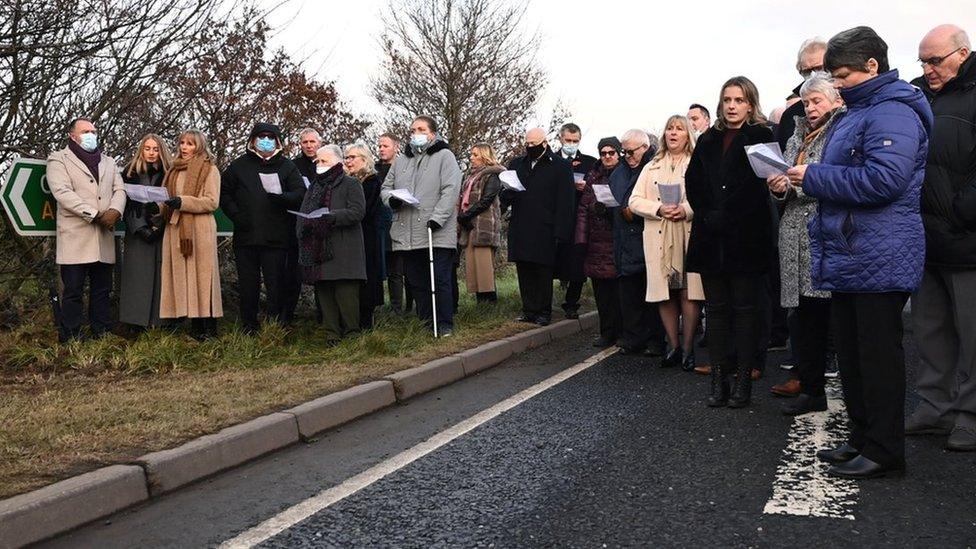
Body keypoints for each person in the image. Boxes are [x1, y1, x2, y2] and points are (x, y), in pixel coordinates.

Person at [790, 26, 932, 479]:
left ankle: (885, 450)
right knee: (852, 356)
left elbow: (885, 181)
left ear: (873, 66)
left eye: (844, 75)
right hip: (853, 248)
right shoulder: (857, 109)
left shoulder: (892, 111)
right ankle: (862, 438)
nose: (837, 84)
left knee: (877, 357)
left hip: (881, 249)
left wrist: (811, 177)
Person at [686, 76, 775, 408]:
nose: (732, 106)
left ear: (750, 104)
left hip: (746, 236)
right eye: (727, 100)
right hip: (711, 236)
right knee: (717, 311)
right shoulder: (709, 138)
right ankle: (718, 380)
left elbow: (758, 185)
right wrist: (709, 213)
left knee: (745, 311)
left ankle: (742, 382)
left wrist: (728, 214)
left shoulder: (761, 136)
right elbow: (693, 181)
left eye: (739, 100)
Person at [907, 25, 976, 452]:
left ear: (963, 53)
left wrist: (960, 212)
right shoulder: (918, 96)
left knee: (972, 334)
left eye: (936, 60)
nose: (928, 69)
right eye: (923, 61)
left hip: (966, 237)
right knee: (929, 328)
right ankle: (934, 405)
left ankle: (969, 415)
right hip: (923, 236)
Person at [766, 72, 844, 416]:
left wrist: (799, 183)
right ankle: (811, 389)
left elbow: (839, 176)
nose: (810, 108)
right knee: (802, 317)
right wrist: (778, 186)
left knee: (830, 316)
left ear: (836, 100)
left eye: (817, 101)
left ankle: (846, 395)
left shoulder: (842, 129)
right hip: (793, 232)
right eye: (807, 101)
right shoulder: (796, 132)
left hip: (824, 232)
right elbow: (785, 176)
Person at [629, 116, 704, 370]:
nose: (673, 133)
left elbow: (708, 196)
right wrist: (658, 208)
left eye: (679, 129)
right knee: (665, 292)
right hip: (659, 232)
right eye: (670, 129)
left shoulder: (697, 162)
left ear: (688, 135)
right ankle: (672, 345)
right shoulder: (651, 166)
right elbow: (634, 200)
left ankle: (688, 348)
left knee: (688, 291)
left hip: (688, 231)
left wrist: (686, 209)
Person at [46, 117, 127, 342]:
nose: (91, 134)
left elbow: (119, 189)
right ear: (72, 135)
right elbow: (62, 193)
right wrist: (94, 214)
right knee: (73, 290)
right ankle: (71, 335)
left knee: (102, 289)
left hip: (104, 235)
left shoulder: (109, 162)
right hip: (76, 236)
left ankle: (101, 331)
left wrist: (114, 211)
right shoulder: (58, 160)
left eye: (93, 130)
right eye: (85, 131)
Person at [220, 123, 306, 333]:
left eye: (270, 137)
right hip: (246, 237)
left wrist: (283, 198)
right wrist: (237, 215)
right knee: (248, 285)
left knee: (276, 284)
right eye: (261, 137)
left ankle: (276, 325)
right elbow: (224, 193)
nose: (265, 140)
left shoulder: (287, 166)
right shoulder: (238, 166)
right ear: (253, 140)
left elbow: (301, 193)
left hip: (276, 238)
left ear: (277, 141)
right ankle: (249, 325)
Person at [380, 116, 462, 336]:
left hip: (434, 230)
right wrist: (392, 200)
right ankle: (426, 322)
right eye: (413, 129)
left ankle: (444, 323)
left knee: (439, 279)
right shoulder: (401, 160)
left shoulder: (445, 156)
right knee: (417, 281)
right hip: (407, 232)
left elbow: (450, 189)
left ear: (432, 134)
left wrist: (438, 217)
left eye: (421, 129)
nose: (416, 133)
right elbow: (386, 188)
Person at [501, 127, 575, 326]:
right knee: (524, 268)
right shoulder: (517, 164)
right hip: (521, 224)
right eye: (527, 143)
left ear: (544, 143)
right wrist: (507, 192)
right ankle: (529, 309)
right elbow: (505, 195)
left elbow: (566, 201)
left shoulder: (560, 166)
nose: (530, 147)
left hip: (546, 227)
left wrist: (562, 231)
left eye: (534, 144)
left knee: (543, 271)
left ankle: (544, 311)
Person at [298, 145, 366, 342]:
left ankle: (352, 335)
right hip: (318, 249)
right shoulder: (313, 187)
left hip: (344, 250)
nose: (319, 165)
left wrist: (329, 217)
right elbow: (303, 214)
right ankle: (331, 334)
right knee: (325, 294)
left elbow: (357, 212)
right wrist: (304, 227)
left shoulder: (351, 184)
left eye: (323, 161)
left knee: (346, 295)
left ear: (337, 162)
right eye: (317, 161)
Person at [159, 130, 223, 339]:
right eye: (182, 143)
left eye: (190, 144)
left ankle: (210, 329)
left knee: (203, 278)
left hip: (199, 228)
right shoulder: (172, 170)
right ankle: (194, 327)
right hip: (176, 227)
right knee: (184, 278)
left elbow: (212, 202)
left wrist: (183, 202)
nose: (184, 147)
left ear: (200, 146)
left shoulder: (209, 169)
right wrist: (158, 206)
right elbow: (166, 197)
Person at [609, 129, 666, 356]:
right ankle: (634, 337)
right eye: (624, 152)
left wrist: (638, 212)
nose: (627, 156)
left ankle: (655, 339)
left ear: (644, 148)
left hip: (647, 235)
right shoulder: (619, 172)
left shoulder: (655, 167)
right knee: (629, 295)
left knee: (652, 294)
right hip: (623, 238)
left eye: (631, 151)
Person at [119, 134, 173, 329]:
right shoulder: (129, 172)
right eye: (147, 148)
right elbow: (124, 202)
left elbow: (172, 200)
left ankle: (161, 322)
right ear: (141, 150)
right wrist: (141, 228)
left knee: (162, 276)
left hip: (162, 228)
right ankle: (135, 322)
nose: (151, 153)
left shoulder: (169, 172)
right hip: (136, 230)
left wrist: (158, 225)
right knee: (136, 276)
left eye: (156, 149)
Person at [576, 137, 624, 348]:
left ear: (618, 153)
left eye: (611, 153)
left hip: (618, 239)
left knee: (620, 293)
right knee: (602, 294)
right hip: (597, 241)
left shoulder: (625, 173)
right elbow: (583, 209)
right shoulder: (594, 176)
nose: (607, 157)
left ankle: (623, 332)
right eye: (603, 153)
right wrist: (580, 239)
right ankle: (607, 332)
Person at [554, 123, 597, 319]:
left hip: (580, 218)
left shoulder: (589, 162)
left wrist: (586, 187)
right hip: (555, 217)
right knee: (553, 260)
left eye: (575, 141)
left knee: (578, 262)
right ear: (561, 139)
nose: (571, 144)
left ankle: (572, 302)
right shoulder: (551, 160)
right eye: (568, 140)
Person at [344, 143, 386, 329]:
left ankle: (366, 323)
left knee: (368, 279)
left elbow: (366, 210)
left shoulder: (371, 181)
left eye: (352, 157)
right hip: (351, 237)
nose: (348, 161)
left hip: (367, 237)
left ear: (364, 158)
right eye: (346, 157)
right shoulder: (347, 180)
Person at [284, 127, 322, 323]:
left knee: (322, 275)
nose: (309, 146)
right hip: (298, 224)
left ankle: (323, 317)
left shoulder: (327, 162)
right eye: (305, 142)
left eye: (312, 142)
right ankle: (287, 316)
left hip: (322, 226)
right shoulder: (293, 166)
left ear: (319, 143)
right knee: (293, 274)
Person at [457, 143, 504, 303]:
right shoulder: (471, 176)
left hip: (484, 225)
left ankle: (490, 303)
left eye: (475, 155)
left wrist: (467, 214)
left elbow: (487, 199)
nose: (471, 158)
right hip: (470, 225)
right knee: (473, 267)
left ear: (485, 156)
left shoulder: (493, 174)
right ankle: (480, 303)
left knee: (484, 268)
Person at [377, 133, 411, 314]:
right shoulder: (375, 169)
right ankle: (383, 307)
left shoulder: (404, 168)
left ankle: (400, 308)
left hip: (398, 221)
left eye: (385, 146)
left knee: (398, 269)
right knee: (383, 267)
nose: (381, 149)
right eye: (380, 146)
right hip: (379, 224)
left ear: (396, 147)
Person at [776, 38, 828, 151]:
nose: (813, 74)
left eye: (819, 68)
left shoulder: (850, 104)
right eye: (807, 71)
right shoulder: (791, 116)